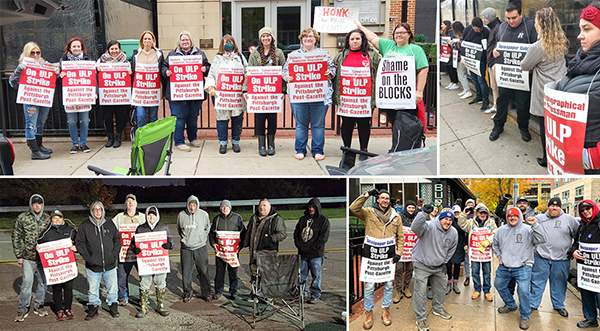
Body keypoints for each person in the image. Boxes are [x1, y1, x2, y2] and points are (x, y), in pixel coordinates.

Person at [356, 21, 429, 153]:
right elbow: (372, 38)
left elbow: (423, 69)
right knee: (395, 123)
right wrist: (360, 27)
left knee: (406, 123)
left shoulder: (415, 50)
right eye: (396, 32)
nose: (398, 35)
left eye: (402, 32)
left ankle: (405, 149)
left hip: (407, 96)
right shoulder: (388, 46)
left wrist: (419, 91)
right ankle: (397, 146)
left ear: (409, 35)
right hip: (391, 97)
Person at [555, 2, 600, 174]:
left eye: (587, 29)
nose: (580, 36)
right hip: (570, 156)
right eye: (580, 29)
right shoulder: (580, 60)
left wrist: (592, 156)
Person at [520, 7, 568, 168]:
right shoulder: (561, 40)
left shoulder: (537, 46)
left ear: (540, 24)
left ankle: (547, 158)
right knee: (560, 128)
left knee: (546, 128)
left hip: (544, 91)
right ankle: (561, 157)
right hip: (561, 88)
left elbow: (525, 65)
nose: (534, 25)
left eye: (536, 22)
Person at [349, 189, 403, 329]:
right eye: (382, 198)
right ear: (378, 200)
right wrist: (366, 194)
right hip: (372, 256)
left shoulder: (396, 216)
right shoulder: (368, 212)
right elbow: (353, 208)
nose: (385, 200)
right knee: (369, 287)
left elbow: (400, 236)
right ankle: (368, 313)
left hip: (388, 256)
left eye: (387, 198)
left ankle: (386, 310)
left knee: (389, 285)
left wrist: (399, 252)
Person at [282, 27, 335, 160]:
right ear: (301, 39)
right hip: (299, 96)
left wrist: (330, 73)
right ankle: (300, 149)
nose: (308, 38)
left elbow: (332, 68)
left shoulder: (324, 54)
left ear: (315, 39)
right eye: (305, 36)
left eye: (311, 36)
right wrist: (287, 77)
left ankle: (318, 150)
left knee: (318, 125)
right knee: (301, 124)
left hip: (319, 95)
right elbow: (284, 71)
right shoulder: (293, 56)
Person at [489, 0, 538, 141]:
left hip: (523, 77)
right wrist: (494, 52)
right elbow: (493, 46)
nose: (511, 21)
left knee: (523, 105)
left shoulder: (530, 27)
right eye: (508, 18)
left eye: (514, 18)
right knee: (502, 102)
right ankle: (498, 126)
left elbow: (537, 49)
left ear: (521, 14)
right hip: (506, 75)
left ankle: (523, 127)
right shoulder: (502, 27)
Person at [493, 207, 546, 330]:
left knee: (523, 291)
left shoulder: (528, 229)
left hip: (523, 266)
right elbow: (495, 244)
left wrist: (536, 225)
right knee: (498, 284)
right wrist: (499, 256)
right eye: (510, 216)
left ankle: (525, 316)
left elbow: (541, 240)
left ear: (520, 217)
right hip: (505, 266)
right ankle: (511, 305)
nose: (512, 218)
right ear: (507, 217)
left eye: (515, 216)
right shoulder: (501, 230)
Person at [333, 29, 381, 159]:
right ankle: (347, 149)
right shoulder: (341, 55)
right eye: (352, 39)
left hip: (365, 99)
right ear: (348, 41)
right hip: (346, 98)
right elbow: (332, 71)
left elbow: (381, 70)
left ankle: (363, 150)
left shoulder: (372, 55)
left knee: (364, 124)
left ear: (362, 40)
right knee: (347, 124)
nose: (355, 41)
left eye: (357, 39)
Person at [529, 197, 579, 317]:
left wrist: (573, 250)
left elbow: (577, 236)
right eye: (551, 205)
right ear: (548, 206)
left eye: (556, 206)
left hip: (561, 259)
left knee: (559, 283)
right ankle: (533, 304)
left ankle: (559, 305)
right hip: (541, 257)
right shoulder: (539, 218)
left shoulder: (570, 220)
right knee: (537, 282)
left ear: (560, 207)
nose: (554, 208)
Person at [163, 31, 210, 152]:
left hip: (194, 92)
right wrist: (166, 72)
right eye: (183, 40)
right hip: (177, 93)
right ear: (179, 42)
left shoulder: (200, 53)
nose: (185, 42)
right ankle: (179, 141)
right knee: (178, 118)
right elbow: (163, 66)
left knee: (192, 117)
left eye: (187, 40)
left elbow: (208, 67)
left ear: (191, 41)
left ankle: (192, 138)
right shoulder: (172, 54)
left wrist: (205, 69)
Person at [411, 209, 458, 331]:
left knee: (441, 289)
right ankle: (420, 318)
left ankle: (438, 308)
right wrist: (422, 213)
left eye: (450, 219)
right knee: (420, 293)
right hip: (422, 263)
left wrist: (444, 262)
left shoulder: (453, 232)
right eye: (445, 219)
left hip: (439, 266)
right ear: (440, 218)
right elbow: (415, 228)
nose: (447, 222)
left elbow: (451, 249)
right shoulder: (429, 225)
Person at [9, 42, 57, 160]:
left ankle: (39, 146)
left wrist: (56, 71)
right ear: (27, 53)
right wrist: (19, 70)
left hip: (43, 99)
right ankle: (35, 151)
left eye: (38, 52)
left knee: (40, 123)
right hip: (30, 99)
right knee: (31, 125)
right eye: (32, 52)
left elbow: (55, 75)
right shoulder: (23, 66)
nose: (35, 55)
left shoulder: (44, 64)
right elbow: (12, 83)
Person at [75, 201, 120, 320]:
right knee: (93, 289)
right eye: (95, 209)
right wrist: (88, 257)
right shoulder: (85, 225)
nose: (97, 211)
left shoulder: (109, 223)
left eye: (100, 209)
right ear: (91, 211)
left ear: (103, 210)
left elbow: (117, 239)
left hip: (110, 264)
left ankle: (113, 305)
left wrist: (113, 255)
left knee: (112, 288)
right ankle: (93, 307)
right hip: (93, 266)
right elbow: (79, 243)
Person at [246, 27, 286, 156]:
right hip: (258, 92)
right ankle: (261, 144)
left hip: (274, 93)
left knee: (272, 118)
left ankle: (271, 144)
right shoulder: (255, 54)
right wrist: (247, 90)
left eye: (268, 36)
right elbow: (249, 73)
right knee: (259, 118)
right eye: (263, 36)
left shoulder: (279, 53)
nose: (265, 38)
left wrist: (283, 91)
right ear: (260, 39)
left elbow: (284, 71)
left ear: (272, 37)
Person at [205, 34, 247, 154]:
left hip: (236, 95)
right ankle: (222, 142)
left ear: (233, 43)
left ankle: (235, 141)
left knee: (237, 119)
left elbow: (247, 72)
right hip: (222, 95)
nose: (227, 43)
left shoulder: (240, 57)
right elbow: (212, 74)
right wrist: (211, 87)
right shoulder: (217, 58)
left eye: (230, 41)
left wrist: (245, 88)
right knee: (222, 120)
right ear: (222, 45)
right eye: (225, 42)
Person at [12, 194, 51, 322]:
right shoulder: (23, 218)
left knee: (42, 283)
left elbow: (54, 236)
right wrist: (19, 255)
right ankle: (23, 308)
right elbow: (16, 236)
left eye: (39, 203)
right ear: (31, 204)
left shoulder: (47, 219)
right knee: (27, 283)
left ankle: (38, 305)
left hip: (43, 258)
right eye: (34, 203)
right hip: (28, 257)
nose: (37, 205)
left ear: (43, 204)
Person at [131, 206, 172, 318]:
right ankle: (144, 308)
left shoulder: (164, 227)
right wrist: (135, 248)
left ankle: (161, 305)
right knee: (144, 283)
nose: (151, 217)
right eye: (149, 215)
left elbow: (171, 242)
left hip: (159, 262)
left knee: (160, 282)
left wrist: (169, 245)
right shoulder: (140, 228)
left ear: (157, 215)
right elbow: (133, 243)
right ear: (146, 216)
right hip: (146, 262)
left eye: (153, 215)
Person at [37, 210, 77, 321]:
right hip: (55, 268)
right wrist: (39, 248)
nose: (57, 220)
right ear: (51, 220)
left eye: (59, 218)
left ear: (63, 218)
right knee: (57, 289)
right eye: (54, 218)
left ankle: (68, 308)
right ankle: (59, 309)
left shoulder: (71, 230)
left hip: (68, 266)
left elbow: (79, 241)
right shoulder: (47, 232)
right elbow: (39, 242)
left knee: (68, 288)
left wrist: (76, 247)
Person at [244, 198, 288, 292]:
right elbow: (248, 232)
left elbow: (283, 234)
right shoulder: (254, 218)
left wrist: (270, 238)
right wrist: (244, 242)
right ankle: (255, 293)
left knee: (267, 276)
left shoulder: (276, 219)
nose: (262, 208)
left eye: (264, 206)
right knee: (254, 274)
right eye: (260, 206)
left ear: (269, 207)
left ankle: (267, 296)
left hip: (268, 253)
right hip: (253, 252)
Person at [458, 203, 498, 302]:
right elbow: (461, 224)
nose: (483, 214)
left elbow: (496, 233)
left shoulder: (491, 222)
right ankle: (477, 289)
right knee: (475, 272)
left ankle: (487, 291)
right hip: (475, 253)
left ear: (487, 213)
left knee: (487, 272)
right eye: (481, 212)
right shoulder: (471, 222)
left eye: (485, 212)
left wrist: (489, 240)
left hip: (486, 253)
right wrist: (464, 213)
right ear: (477, 213)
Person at [293, 197, 330, 304]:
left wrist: (311, 248)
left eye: (313, 207)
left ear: (317, 208)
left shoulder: (323, 220)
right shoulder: (302, 219)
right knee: (302, 275)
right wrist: (300, 246)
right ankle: (302, 294)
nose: (311, 209)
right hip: (303, 254)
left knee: (316, 276)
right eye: (309, 207)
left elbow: (323, 238)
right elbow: (296, 234)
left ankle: (315, 295)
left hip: (316, 255)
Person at [60, 37, 93, 154]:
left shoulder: (88, 60)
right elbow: (58, 76)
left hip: (84, 96)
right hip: (70, 96)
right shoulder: (63, 61)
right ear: (69, 48)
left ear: (82, 48)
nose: (76, 48)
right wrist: (61, 74)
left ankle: (83, 143)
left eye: (78, 46)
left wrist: (94, 93)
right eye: (74, 46)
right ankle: (75, 144)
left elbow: (93, 78)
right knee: (71, 121)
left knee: (85, 121)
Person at [570, 200, 600, 328]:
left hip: (598, 270)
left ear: (593, 208)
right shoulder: (581, 226)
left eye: (588, 208)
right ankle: (591, 319)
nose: (585, 212)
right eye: (582, 210)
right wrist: (574, 251)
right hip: (585, 269)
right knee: (586, 294)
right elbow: (575, 243)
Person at [96, 40, 131, 148]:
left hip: (121, 95)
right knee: (107, 117)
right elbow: (94, 73)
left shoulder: (126, 61)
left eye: (116, 48)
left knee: (121, 116)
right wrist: (97, 69)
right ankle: (110, 137)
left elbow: (130, 74)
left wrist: (130, 72)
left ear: (119, 49)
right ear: (108, 49)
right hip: (107, 95)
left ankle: (118, 137)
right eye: (112, 49)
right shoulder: (101, 60)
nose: (114, 51)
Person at [208, 200, 246, 300]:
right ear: (220, 208)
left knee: (233, 272)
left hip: (233, 252)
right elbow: (211, 234)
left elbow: (244, 233)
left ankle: (233, 291)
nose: (225, 209)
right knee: (219, 272)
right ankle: (218, 291)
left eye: (227, 207)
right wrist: (213, 244)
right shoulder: (217, 219)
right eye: (223, 207)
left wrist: (240, 246)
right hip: (220, 252)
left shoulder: (237, 218)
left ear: (230, 208)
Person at [112, 194, 144, 306]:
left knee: (144, 276)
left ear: (136, 204)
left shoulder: (143, 217)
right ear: (125, 204)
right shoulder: (119, 217)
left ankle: (143, 297)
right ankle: (123, 297)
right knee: (122, 276)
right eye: (128, 202)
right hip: (124, 253)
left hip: (140, 253)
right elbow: (111, 230)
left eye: (132, 201)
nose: (130, 204)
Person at [177, 195, 211, 302]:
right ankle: (188, 292)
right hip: (186, 248)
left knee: (203, 271)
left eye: (194, 205)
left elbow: (207, 227)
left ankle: (206, 293)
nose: (192, 207)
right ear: (187, 205)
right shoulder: (181, 215)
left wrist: (203, 238)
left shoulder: (204, 214)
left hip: (200, 247)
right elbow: (179, 229)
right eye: (190, 205)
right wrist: (185, 239)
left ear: (197, 205)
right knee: (186, 272)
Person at [131, 30, 165, 128]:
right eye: (145, 38)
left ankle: (152, 140)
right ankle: (141, 139)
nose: (147, 40)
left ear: (153, 41)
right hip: (140, 92)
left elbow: (162, 69)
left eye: (149, 38)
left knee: (153, 117)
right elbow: (132, 70)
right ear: (142, 41)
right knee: (140, 116)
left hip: (153, 92)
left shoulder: (158, 54)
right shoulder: (136, 54)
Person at [462, 17, 491, 111]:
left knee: (481, 80)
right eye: (476, 29)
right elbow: (464, 42)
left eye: (479, 28)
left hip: (481, 60)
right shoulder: (468, 30)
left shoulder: (485, 31)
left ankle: (485, 101)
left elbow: (488, 46)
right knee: (474, 78)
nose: (478, 30)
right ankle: (479, 96)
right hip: (471, 59)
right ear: (472, 26)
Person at [394, 200, 417, 303]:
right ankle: (398, 291)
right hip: (401, 248)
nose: (411, 209)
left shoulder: (417, 218)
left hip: (412, 249)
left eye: (413, 208)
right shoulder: (399, 217)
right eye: (409, 207)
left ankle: (406, 287)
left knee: (409, 269)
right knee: (398, 269)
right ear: (405, 208)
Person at [481, 7, 503, 114]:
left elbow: (498, 45)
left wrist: (493, 61)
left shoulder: (497, 28)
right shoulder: (493, 27)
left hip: (494, 62)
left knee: (496, 87)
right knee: (494, 87)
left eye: (485, 18)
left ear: (489, 18)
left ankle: (497, 107)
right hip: (491, 61)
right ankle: (495, 105)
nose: (483, 20)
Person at [447, 205, 466, 295]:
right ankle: (449, 283)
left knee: (457, 265)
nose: (456, 214)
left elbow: (466, 233)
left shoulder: (463, 221)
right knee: (448, 265)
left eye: (458, 212)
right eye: (455, 213)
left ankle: (455, 284)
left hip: (460, 246)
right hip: (449, 246)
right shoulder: (450, 221)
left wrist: (466, 244)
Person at [452, 21, 472, 100]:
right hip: (460, 57)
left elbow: (461, 47)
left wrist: (455, 43)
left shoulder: (462, 36)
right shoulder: (463, 35)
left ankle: (467, 91)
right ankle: (465, 89)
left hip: (461, 58)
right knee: (461, 74)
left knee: (461, 75)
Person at [441, 20, 459, 91]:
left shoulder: (451, 32)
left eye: (442, 24)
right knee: (448, 68)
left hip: (451, 54)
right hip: (446, 53)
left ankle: (455, 82)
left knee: (452, 68)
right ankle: (452, 81)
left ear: (446, 25)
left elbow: (455, 41)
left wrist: (450, 42)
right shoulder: (445, 32)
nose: (441, 26)